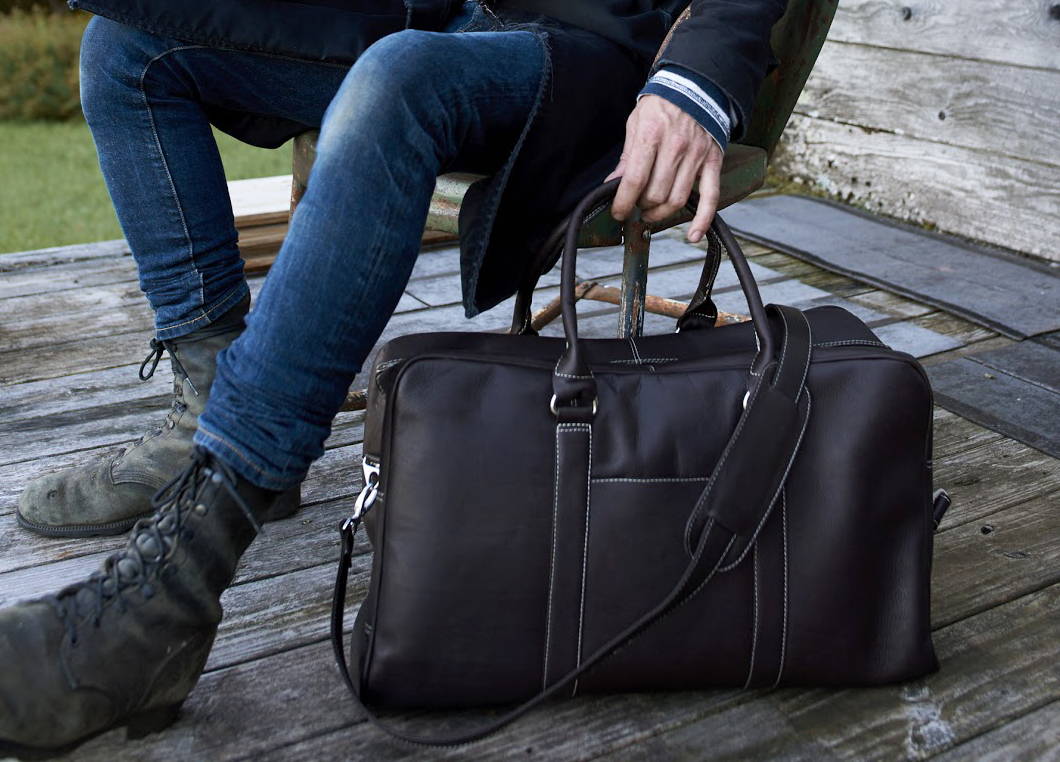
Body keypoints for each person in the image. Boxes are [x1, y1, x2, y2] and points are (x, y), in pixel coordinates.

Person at [0, 0, 785, 754]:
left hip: (603, 47)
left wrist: (696, 80)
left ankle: (170, 593)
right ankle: (209, 411)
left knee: (397, 79)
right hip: (441, 16)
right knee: (129, 47)